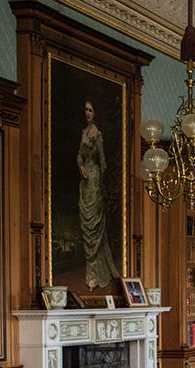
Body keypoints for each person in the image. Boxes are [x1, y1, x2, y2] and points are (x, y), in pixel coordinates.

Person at [78, 99, 120, 290]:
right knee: (86, 223)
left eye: (90, 110)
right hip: (84, 180)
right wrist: (81, 167)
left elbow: (102, 161)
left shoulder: (98, 135)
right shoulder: (83, 133)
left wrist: (98, 179)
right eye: (86, 109)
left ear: (95, 113)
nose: (87, 112)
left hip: (94, 180)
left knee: (94, 224)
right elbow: (79, 155)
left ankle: (96, 273)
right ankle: (90, 270)